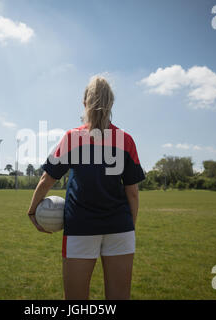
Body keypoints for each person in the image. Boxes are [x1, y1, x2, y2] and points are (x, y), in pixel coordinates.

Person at [26, 75, 145, 300]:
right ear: (111, 104)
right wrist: (129, 226)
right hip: (120, 227)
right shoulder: (126, 140)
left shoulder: (72, 138)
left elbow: (46, 180)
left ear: (84, 102)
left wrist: (32, 210)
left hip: (81, 228)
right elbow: (133, 192)